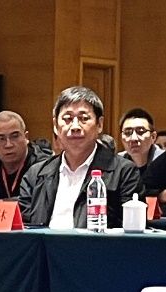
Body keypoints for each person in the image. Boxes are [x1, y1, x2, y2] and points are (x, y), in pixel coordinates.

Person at [18, 87, 142, 228]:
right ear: (55, 126)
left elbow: (131, 231)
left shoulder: (124, 172)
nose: (75, 126)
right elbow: (24, 230)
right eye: (68, 119)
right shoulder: (34, 175)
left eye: (84, 118)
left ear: (100, 124)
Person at [118, 108, 163, 176]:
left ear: (153, 137)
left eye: (140, 131)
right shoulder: (116, 163)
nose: (133, 138)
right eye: (127, 132)